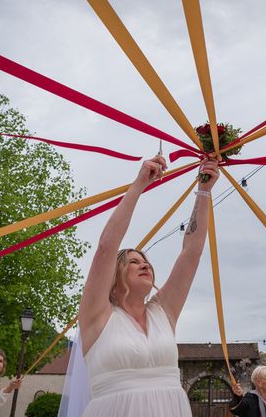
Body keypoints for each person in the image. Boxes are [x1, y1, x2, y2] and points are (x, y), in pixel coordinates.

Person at [78, 155, 220, 416]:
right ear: (114, 275)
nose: (145, 265)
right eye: (133, 262)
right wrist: (139, 185)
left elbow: (191, 253)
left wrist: (203, 191)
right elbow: (106, 247)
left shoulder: (163, 312)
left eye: (146, 261)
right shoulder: (97, 315)